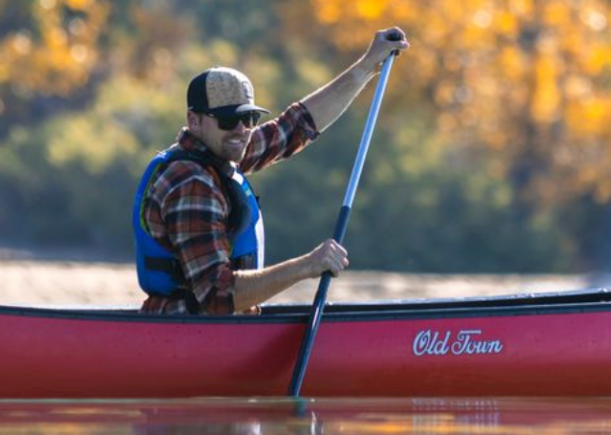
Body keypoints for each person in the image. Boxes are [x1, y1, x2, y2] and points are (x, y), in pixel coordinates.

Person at [133, 28, 409, 314]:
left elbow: (294, 127)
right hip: (189, 340)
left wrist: (367, 66)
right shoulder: (191, 184)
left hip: (216, 336)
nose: (241, 130)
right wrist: (307, 265)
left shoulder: (219, 153)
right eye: (228, 119)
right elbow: (218, 295)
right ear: (194, 121)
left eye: (249, 117)